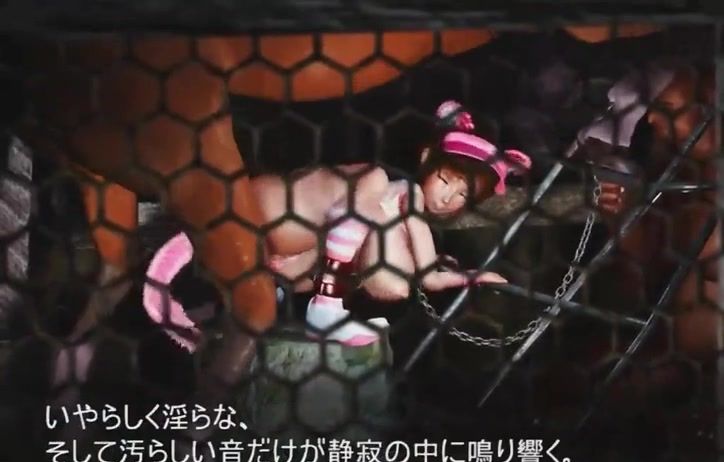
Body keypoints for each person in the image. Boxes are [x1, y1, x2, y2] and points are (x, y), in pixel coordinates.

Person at [143, 100, 533, 350]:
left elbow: (421, 277)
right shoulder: (390, 188)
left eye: (463, 195)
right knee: (372, 190)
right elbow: (416, 278)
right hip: (261, 208)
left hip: (263, 245)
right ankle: (325, 307)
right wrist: (467, 275)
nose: (449, 198)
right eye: (447, 181)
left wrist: (466, 275)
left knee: (365, 252)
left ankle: (229, 310)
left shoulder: (397, 209)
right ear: (428, 159)